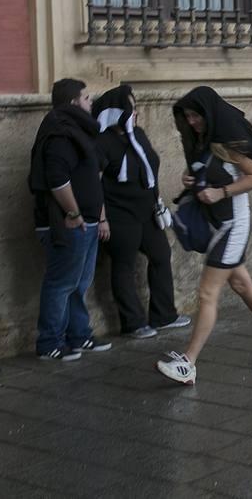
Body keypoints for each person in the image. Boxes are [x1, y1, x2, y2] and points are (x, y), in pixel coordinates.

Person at [156, 87, 252, 384]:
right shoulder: (202, 142)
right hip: (218, 224)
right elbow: (210, 172)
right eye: (188, 116)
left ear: (208, 113)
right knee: (242, 284)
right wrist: (189, 179)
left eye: (196, 115)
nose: (192, 122)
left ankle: (188, 363)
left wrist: (221, 192)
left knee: (207, 293)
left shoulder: (226, 143)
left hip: (232, 226)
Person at [92, 84, 191, 339]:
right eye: (132, 109)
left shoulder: (138, 134)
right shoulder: (102, 142)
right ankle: (133, 322)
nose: (136, 114)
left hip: (147, 210)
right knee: (123, 265)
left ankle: (163, 314)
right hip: (119, 214)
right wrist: (101, 218)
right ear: (117, 112)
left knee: (160, 254)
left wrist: (158, 201)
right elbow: (94, 183)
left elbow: (150, 171)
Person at [29, 79, 112, 361]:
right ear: (75, 102)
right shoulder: (60, 133)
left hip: (87, 221)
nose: (91, 103)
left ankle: (79, 335)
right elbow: (57, 178)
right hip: (66, 223)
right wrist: (74, 213)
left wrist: (100, 217)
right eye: (87, 98)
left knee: (79, 283)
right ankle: (50, 341)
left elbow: (94, 177)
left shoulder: (80, 132)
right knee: (61, 283)